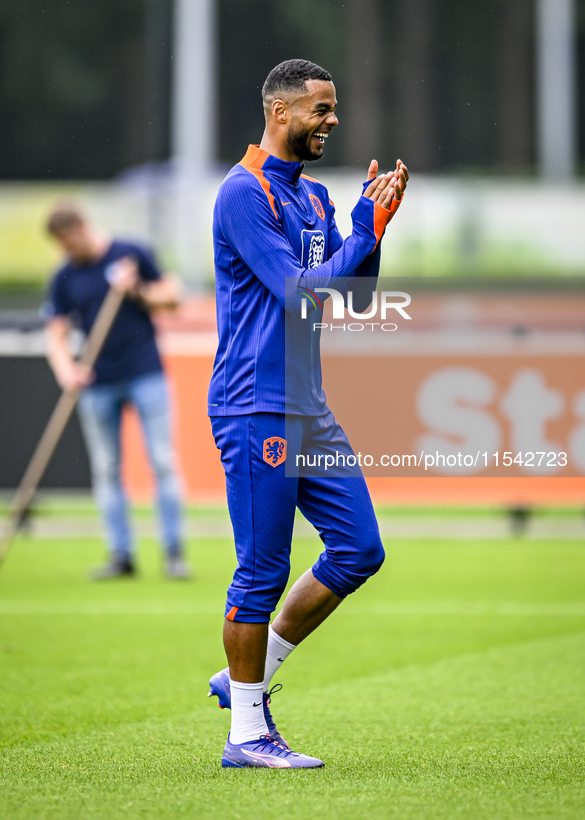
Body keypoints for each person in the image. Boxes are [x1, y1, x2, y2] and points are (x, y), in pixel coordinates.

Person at [206, 59, 408, 768]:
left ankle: (244, 678)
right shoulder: (242, 193)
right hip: (254, 404)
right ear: (279, 111)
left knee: (359, 548)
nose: (331, 120)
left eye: (333, 108)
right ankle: (247, 735)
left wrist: (369, 226)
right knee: (260, 571)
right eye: (320, 109)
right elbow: (299, 293)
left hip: (306, 406)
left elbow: (348, 296)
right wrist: (366, 228)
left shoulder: (317, 199)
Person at [44, 202, 191, 580]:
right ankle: (121, 555)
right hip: (96, 382)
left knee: (163, 462)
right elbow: (56, 333)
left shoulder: (131, 253)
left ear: (79, 228)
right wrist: (67, 371)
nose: (65, 251)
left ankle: (174, 553)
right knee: (107, 470)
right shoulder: (64, 276)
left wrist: (137, 289)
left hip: (146, 374)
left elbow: (174, 298)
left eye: (66, 242)